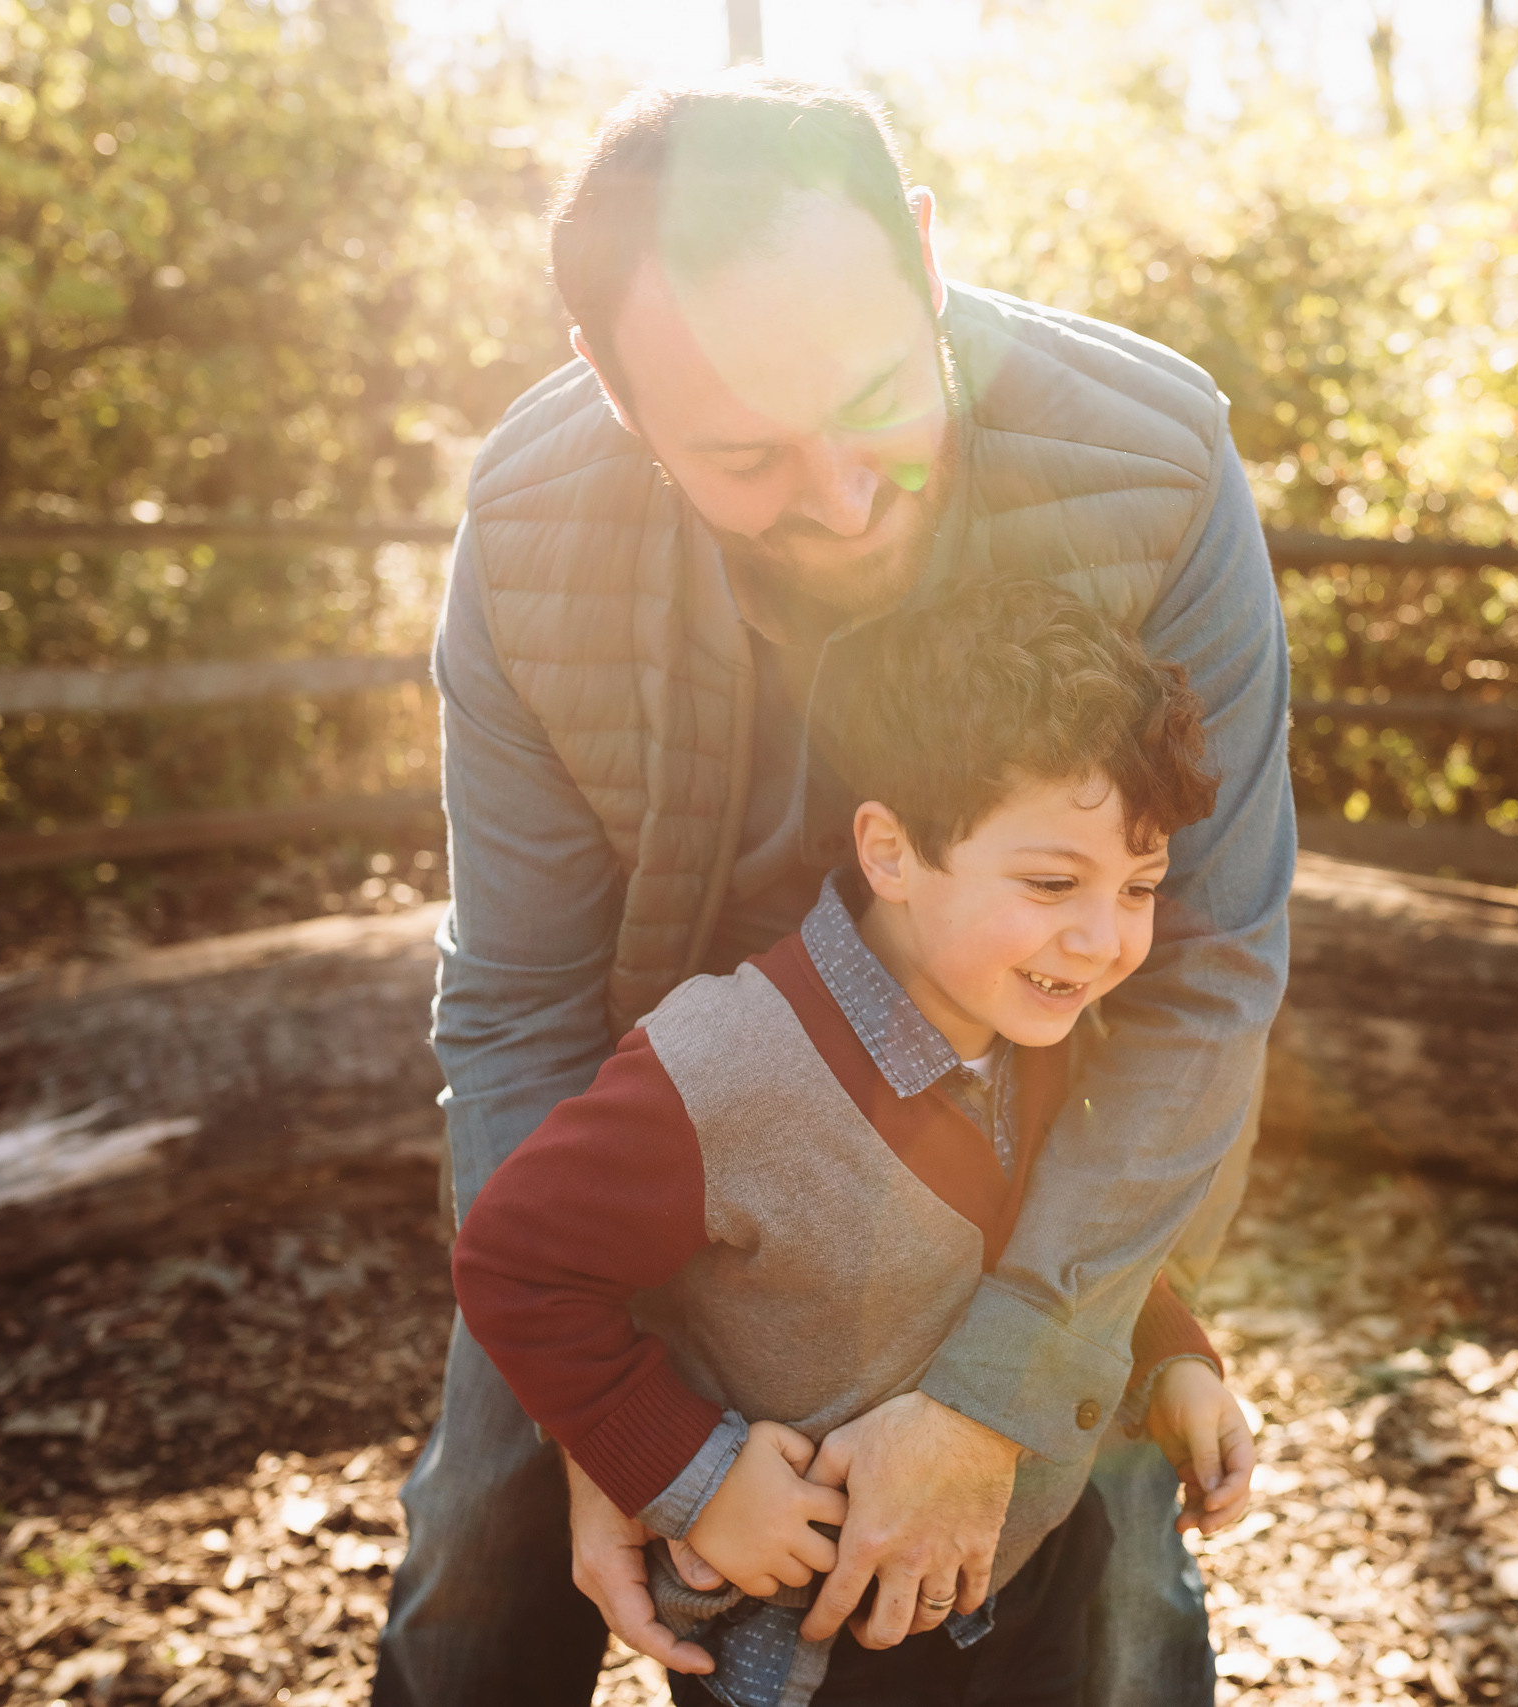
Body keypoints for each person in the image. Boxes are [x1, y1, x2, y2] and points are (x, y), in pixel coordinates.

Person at [373, 70, 1295, 1707]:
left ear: (925, 255)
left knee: (1123, 1581)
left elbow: (1206, 975)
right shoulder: (527, 524)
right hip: (656, 1145)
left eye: (878, 395)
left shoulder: (1155, 465)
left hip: (1009, 1144)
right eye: (744, 456)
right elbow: (512, 1000)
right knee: (477, 1557)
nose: (848, 495)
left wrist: (1008, 1389)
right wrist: (620, 1423)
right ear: (611, 388)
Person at [450, 584, 1259, 1707]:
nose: (1102, 938)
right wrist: (693, 1476)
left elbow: (1054, 1218)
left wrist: (1166, 1355)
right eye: (1051, 882)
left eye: (1141, 887)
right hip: (821, 1652)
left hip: (1029, 1584)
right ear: (888, 850)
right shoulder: (722, 1066)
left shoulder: (1037, 1018)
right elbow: (516, 1264)